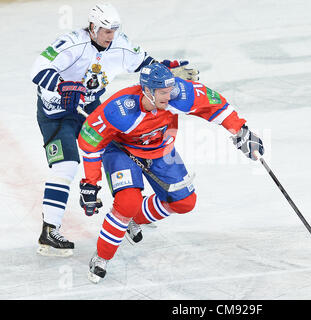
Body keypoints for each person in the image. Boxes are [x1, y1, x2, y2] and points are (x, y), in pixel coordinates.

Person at [31, 3, 198, 257]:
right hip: (56, 113)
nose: (111, 36)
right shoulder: (72, 42)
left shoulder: (121, 45)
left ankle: (126, 209)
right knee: (66, 166)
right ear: (93, 27)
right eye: (106, 31)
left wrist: (166, 69)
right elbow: (39, 69)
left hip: (90, 107)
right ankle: (49, 230)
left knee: (118, 152)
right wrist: (63, 86)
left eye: (114, 30)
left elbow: (147, 64)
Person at [77, 63, 264, 283]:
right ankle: (102, 257)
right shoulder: (120, 109)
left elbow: (214, 104)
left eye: (170, 90)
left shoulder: (179, 93)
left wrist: (240, 130)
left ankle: (131, 219)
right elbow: (90, 141)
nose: (169, 95)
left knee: (185, 202)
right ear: (147, 91)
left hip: (161, 150)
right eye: (163, 92)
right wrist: (90, 183)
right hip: (123, 152)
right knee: (127, 202)